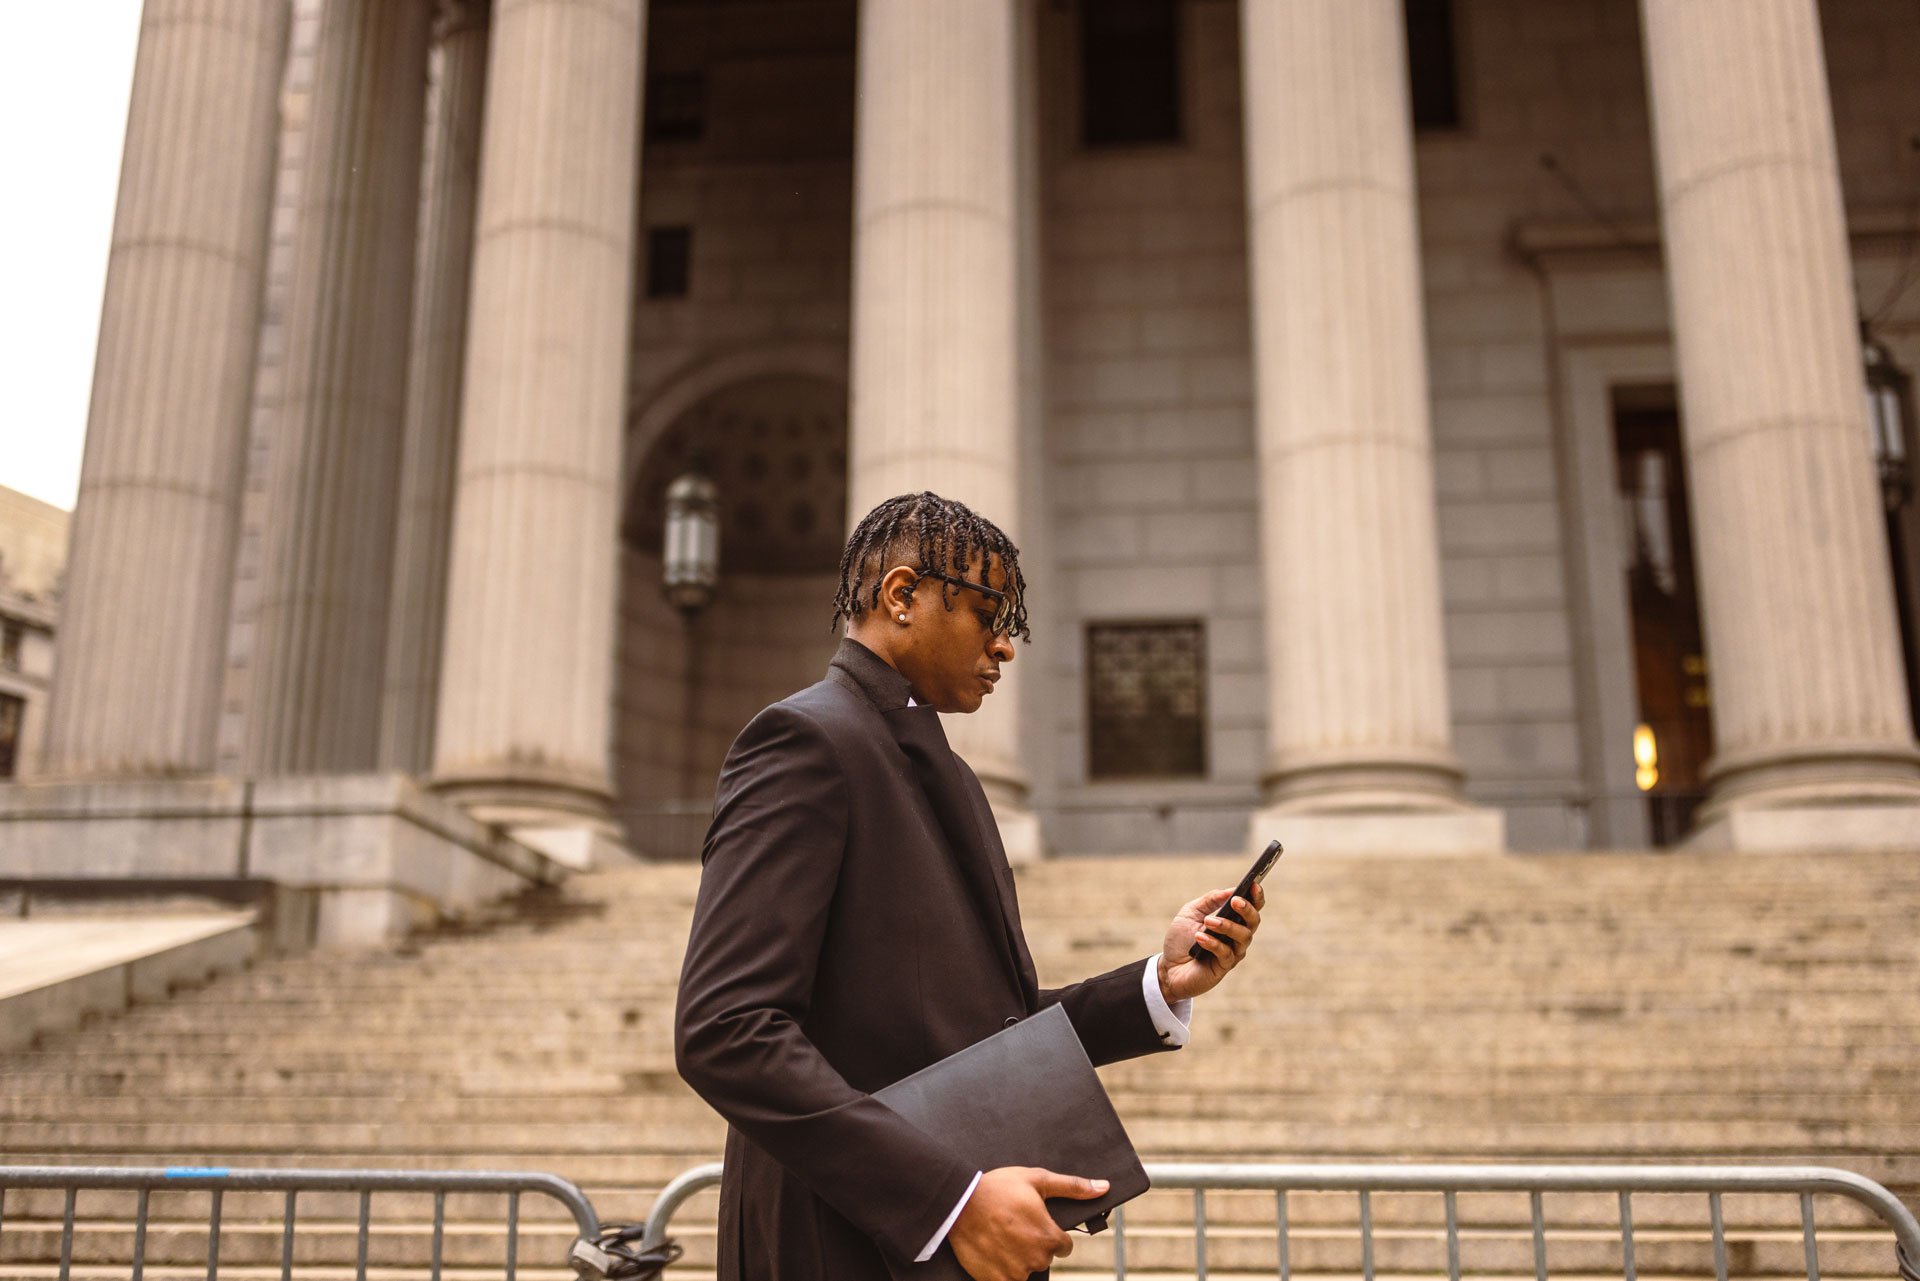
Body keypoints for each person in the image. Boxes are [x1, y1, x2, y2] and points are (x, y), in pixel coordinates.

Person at [674, 491, 1264, 1281]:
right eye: (990, 613)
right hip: (839, 1247)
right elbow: (726, 1027)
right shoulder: (803, 741)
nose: (1005, 646)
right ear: (902, 596)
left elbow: (993, 1032)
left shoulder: (949, 772)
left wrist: (1157, 984)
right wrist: (950, 1199)